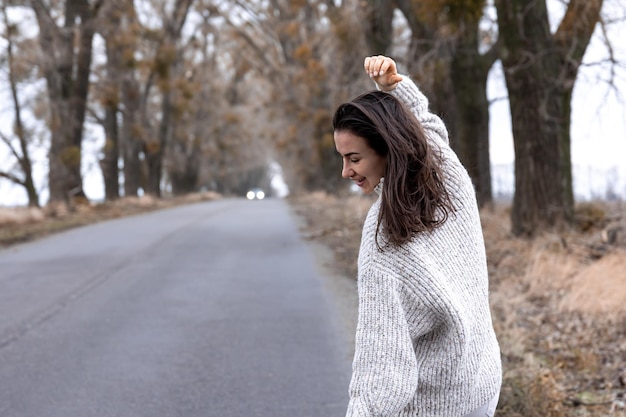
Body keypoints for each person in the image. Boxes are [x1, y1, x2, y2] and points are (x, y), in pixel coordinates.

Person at [332, 55, 502, 417]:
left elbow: (381, 364)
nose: (345, 171)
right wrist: (395, 86)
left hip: (436, 405)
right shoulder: (448, 175)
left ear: (387, 147)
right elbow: (427, 127)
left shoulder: (383, 238)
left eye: (354, 158)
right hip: (481, 383)